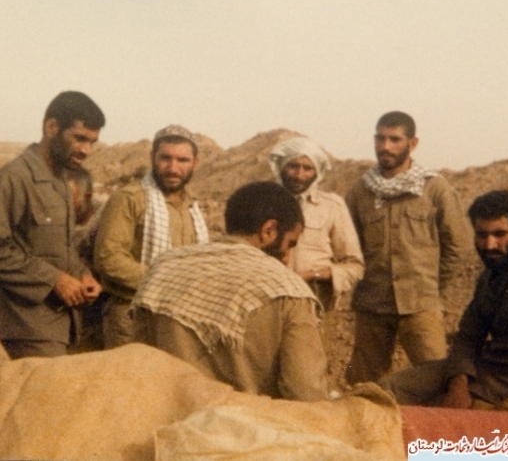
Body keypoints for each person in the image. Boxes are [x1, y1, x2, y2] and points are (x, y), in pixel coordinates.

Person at [379, 190, 508, 413]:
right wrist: (459, 384)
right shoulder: (490, 275)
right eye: (482, 235)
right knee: (387, 389)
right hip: (486, 368)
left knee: (435, 410)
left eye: (500, 234)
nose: (489, 245)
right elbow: (468, 337)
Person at [132, 181, 329, 401]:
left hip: (166, 416)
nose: (287, 258)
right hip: (245, 421)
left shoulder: (162, 268)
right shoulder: (290, 291)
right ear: (268, 231)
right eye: (290, 244)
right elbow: (306, 393)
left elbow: (138, 363)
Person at [0, 91, 106, 359]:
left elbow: (58, 247)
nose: (86, 150)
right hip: (26, 322)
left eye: (92, 142)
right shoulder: (14, 178)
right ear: (52, 127)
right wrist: (54, 280)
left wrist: (83, 275)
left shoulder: (61, 181)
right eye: (79, 138)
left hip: (57, 321)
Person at [345, 111, 470, 385]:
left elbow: (458, 245)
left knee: (435, 378)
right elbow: (348, 246)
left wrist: (431, 286)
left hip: (420, 305)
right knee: (362, 384)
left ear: (412, 143)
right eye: (380, 139)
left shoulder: (434, 188)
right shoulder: (360, 191)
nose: (385, 146)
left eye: (394, 139)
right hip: (373, 305)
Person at [94, 124, 209, 349]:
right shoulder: (130, 198)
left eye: (182, 160)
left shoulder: (192, 205)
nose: (173, 168)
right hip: (132, 316)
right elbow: (108, 258)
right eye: (165, 158)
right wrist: (165, 282)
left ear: (195, 162)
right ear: (152, 157)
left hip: (179, 317)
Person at [268, 136, 364, 311]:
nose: (299, 175)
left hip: (314, 304)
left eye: (307, 168)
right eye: (293, 166)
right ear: (281, 166)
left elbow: (354, 266)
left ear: (317, 172)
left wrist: (313, 275)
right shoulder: (262, 201)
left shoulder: (332, 206)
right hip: (267, 301)